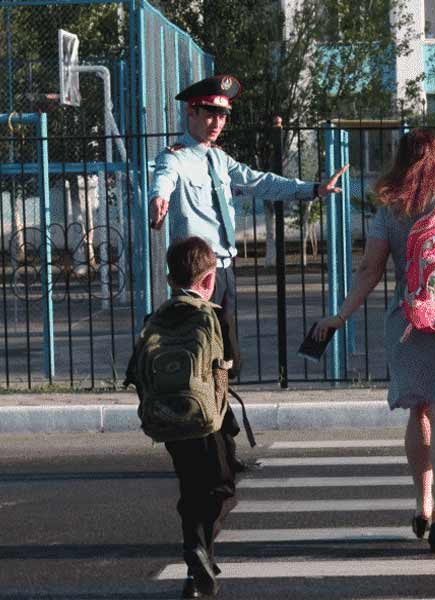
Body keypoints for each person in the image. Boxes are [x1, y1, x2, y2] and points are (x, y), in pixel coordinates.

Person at [313, 128, 435, 553]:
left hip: (411, 322)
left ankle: (420, 504)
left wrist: (342, 315)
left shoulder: (392, 209)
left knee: (418, 413)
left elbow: (370, 270)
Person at [148, 74, 348, 472]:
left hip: (223, 272)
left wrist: (312, 190)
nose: (218, 122)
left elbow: (260, 182)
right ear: (191, 112)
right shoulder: (175, 157)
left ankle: (221, 443)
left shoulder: (220, 160)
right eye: (210, 113)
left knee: (225, 362)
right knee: (200, 363)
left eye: (223, 115)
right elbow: (163, 180)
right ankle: (210, 448)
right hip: (196, 279)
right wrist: (159, 198)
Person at [162, 236, 240, 598]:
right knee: (221, 490)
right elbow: (233, 367)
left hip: (171, 422)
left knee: (189, 490)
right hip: (211, 422)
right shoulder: (217, 315)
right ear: (209, 281)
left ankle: (197, 569)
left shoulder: (156, 317)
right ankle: (200, 554)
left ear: (169, 280)